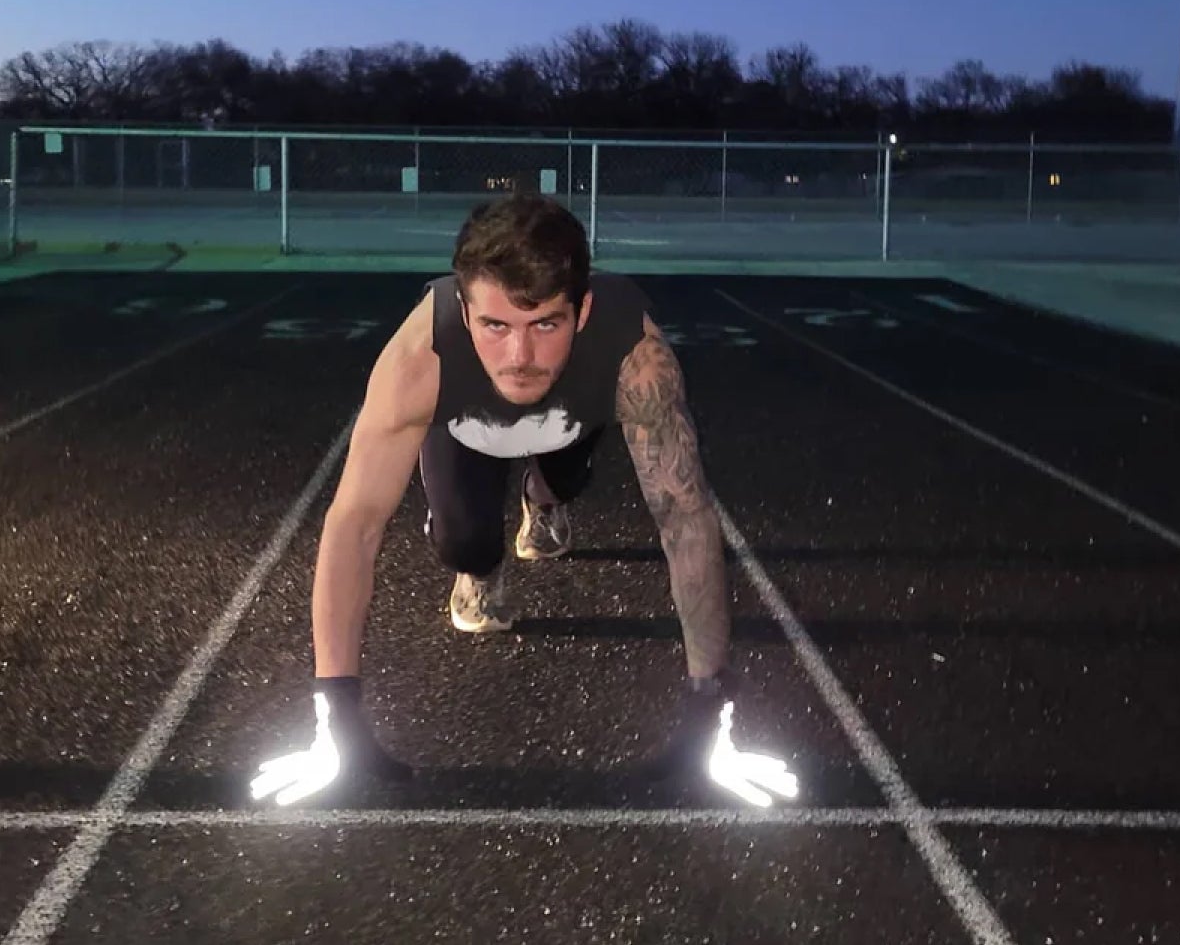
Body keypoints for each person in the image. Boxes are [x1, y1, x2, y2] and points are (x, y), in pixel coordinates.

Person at [249, 195, 797, 809]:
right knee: (465, 543)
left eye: (545, 325)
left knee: (565, 479)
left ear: (582, 310)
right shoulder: (418, 360)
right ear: (463, 309)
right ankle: (478, 561)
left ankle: (545, 500)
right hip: (467, 430)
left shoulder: (635, 358)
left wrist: (710, 708)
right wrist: (335, 716)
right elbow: (355, 523)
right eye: (495, 326)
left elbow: (685, 519)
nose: (520, 357)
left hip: (568, 422)